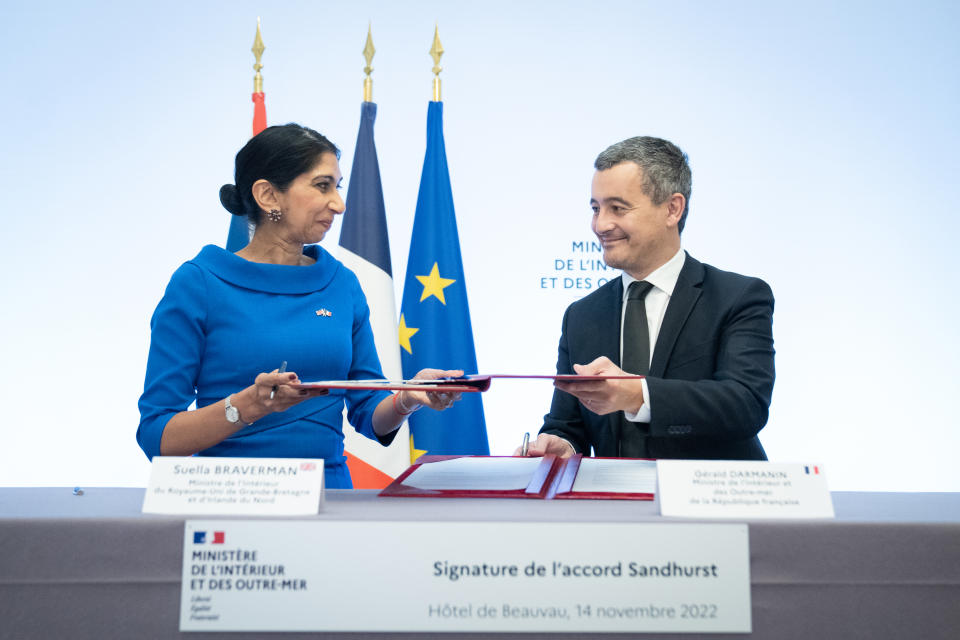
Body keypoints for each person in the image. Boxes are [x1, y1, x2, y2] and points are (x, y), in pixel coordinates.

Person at [137, 123, 461, 488]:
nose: (339, 204)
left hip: (330, 502)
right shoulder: (198, 284)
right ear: (268, 195)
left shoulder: (341, 283)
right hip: (232, 503)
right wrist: (250, 405)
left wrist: (406, 399)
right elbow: (157, 435)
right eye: (322, 186)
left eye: (336, 187)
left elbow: (369, 412)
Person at [521, 136, 775, 460]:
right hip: (613, 507)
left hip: (711, 505)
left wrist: (638, 395)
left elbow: (745, 404)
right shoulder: (581, 316)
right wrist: (561, 444)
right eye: (596, 208)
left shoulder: (737, 298)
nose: (600, 225)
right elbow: (568, 424)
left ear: (672, 209)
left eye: (618, 208)